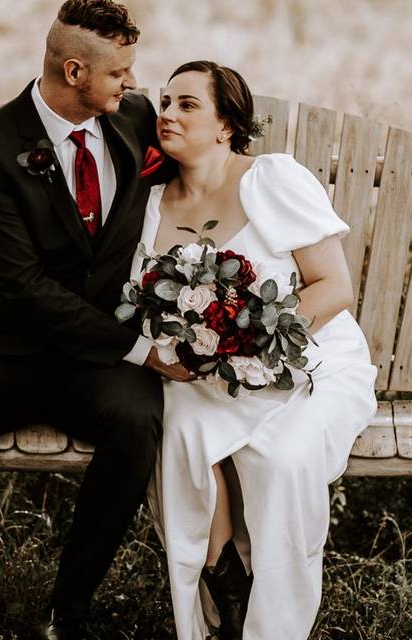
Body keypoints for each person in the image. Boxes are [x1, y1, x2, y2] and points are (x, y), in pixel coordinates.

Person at [0, 2, 192, 639]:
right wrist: (141, 350)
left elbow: (205, 166)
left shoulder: (135, 119)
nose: (131, 83)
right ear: (74, 71)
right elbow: (22, 287)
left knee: (136, 420)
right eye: (119, 72)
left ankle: (69, 610)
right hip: (4, 339)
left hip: (92, 355)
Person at [134, 61, 379, 639]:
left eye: (187, 104)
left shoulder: (269, 179)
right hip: (206, 374)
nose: (167, 114)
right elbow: (144, 310)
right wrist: (180, 353)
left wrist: (255, 339)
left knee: (283, 462)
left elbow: (335, 287)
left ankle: (275, 625)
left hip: (308, 360)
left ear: (226, 125)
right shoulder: (148, 207)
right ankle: (228, 596)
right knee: (183, 437)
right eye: (165, 102)